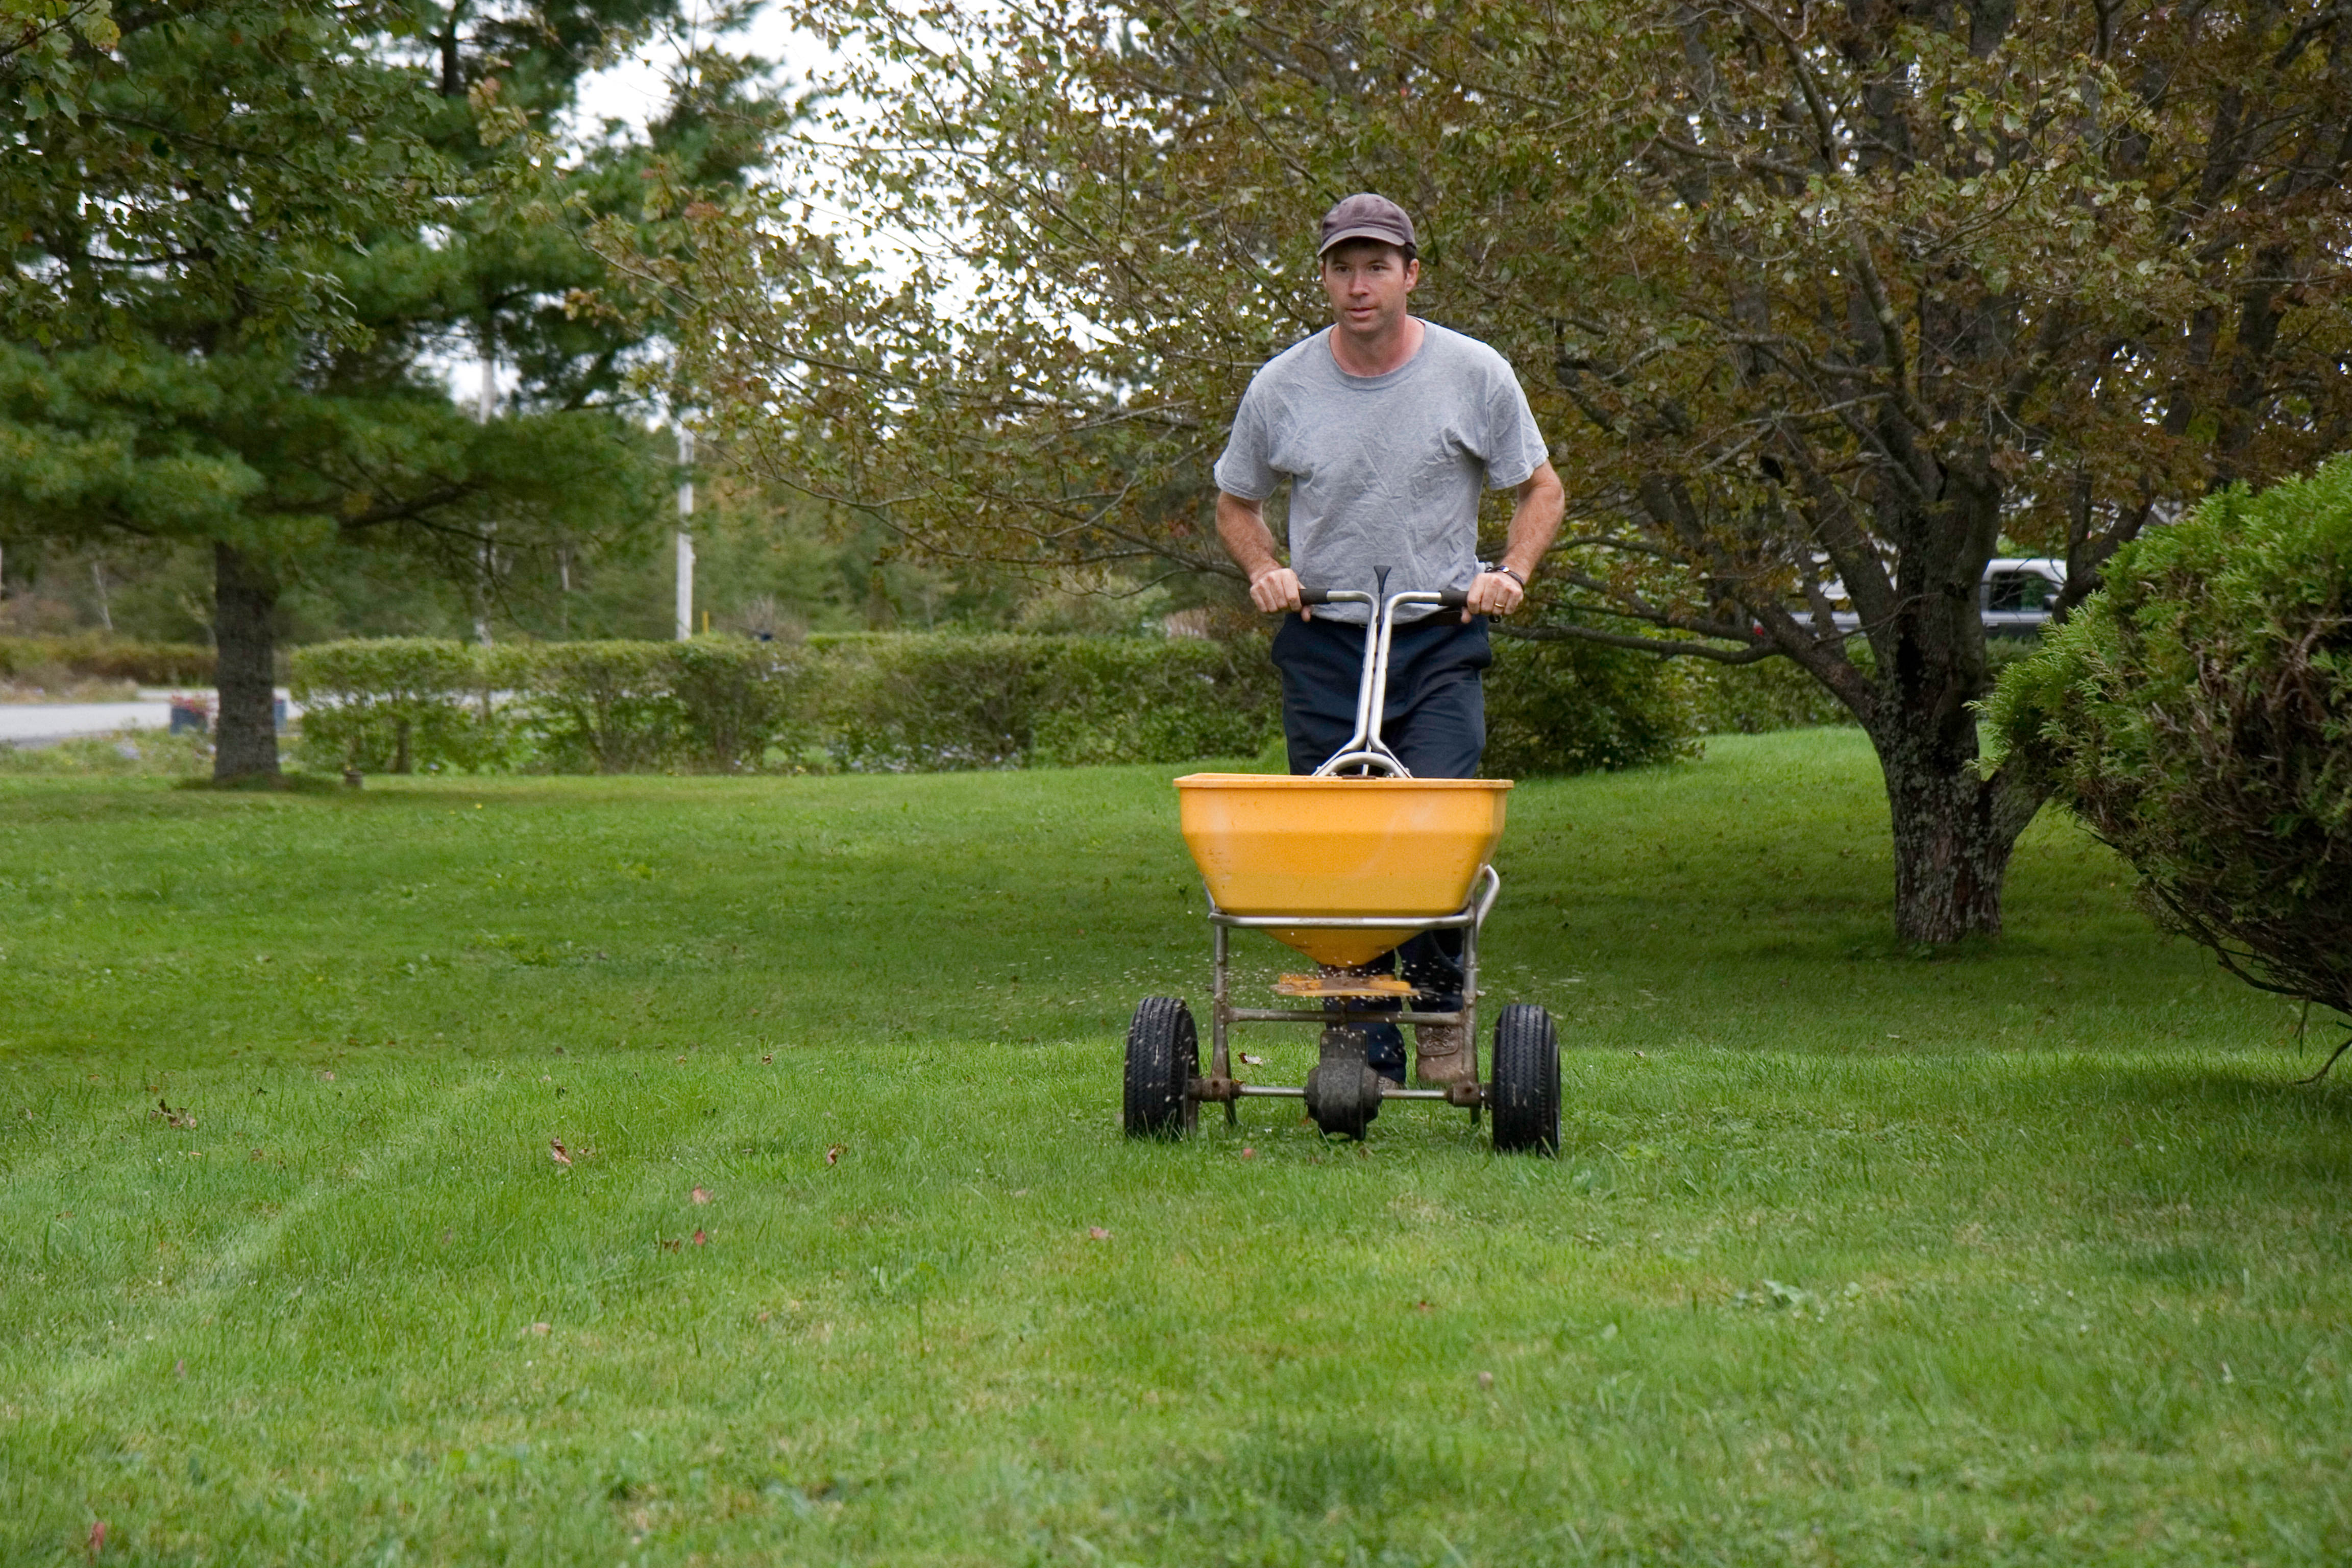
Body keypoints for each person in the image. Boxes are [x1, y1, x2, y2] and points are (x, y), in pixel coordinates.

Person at [1211, 192, 1564, 1088]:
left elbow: (1542, 491)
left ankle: (1441, 1019)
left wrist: (1509, 573)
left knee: (1435, 829)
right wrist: (1266, 568)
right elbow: (1235, 503)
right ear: (1324, 277)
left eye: (1376, 267)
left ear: (1411, 274)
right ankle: (1359, 1034)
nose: (1358, 284)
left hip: (1437, 637)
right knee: (1338, 845)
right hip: (1324, 639)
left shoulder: (1474, 374)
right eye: (1342, 267)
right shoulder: (1281, 385)